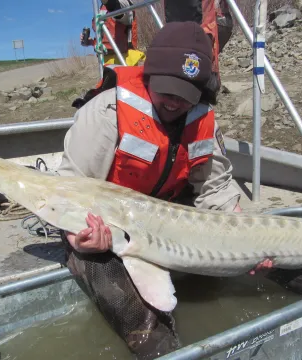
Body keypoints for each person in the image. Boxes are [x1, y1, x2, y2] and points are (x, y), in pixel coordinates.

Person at [58, 21, 270, 358]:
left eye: (186, 96)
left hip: (168, 214)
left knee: (225, 273)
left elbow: (212, 185)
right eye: (167, 90)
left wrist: (243, 230)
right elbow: (70, 190)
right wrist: (78, 236)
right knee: (138, 318)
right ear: (148, 74)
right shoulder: (106, 112)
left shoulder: (201, 118)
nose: (174, 103)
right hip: (110, 222)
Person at [81, 0, 146, 66]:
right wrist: (91, 42)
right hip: (106, 61)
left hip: (125, 59)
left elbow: (117, 8)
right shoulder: (101, 9)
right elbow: (104, 38)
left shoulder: (124, 3)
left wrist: (108, 2)